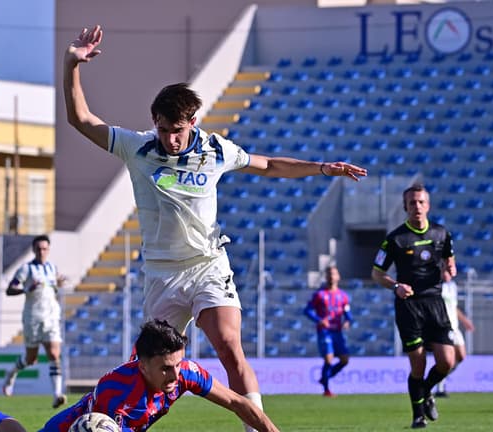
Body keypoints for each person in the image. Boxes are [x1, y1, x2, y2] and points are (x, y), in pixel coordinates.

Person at [63, 25, 367, 432]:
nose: (172, 138)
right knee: (150, 367)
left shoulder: (216, 150)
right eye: (165, 129)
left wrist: (322, 167)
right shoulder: (136, 147)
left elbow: (269, 164)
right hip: (162, 273)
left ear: (192, 122)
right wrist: (72, 65)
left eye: (179, 130)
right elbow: (80, 119)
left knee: (228, 345)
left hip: (208, 264)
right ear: (155, 121)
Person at [0, 320, 281, 432]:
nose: (174, 375)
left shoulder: (185, 374)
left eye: (177, 365)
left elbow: (238, 402)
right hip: (76, 426)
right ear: (142, 365)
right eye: (166, 368)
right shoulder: (117, 393)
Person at [371, 183, 456, 429]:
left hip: (435, 303)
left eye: (420, 202)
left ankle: (426, 392)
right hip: (409, 306)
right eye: (412, 203)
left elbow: (449, 258)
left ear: (427, 205)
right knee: (418, 364)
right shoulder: (396, 239)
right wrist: (395, 285)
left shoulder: (442, 234)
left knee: (446, 361)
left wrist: (451, 268)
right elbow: (377, 274)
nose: (416, 206)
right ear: (405, 207)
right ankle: (418, 415)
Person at [2, 234, 68, 409]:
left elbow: (53, 288)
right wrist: (26, 288)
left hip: (51, 317)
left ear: (49, 250)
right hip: (32, 318)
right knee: (31, 359)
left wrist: (60, 283)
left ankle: (56, 394)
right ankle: (11, 373)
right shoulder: (26, 269)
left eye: (45, 248)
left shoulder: (52, 269)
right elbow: (10, 289)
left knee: (54, 354)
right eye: (38, 249)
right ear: (33, 250)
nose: (41, 252)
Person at [303, 265, 353, 397]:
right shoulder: (319, 295)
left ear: (338, 276)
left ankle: (324, 378)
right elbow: (307, 311)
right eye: (329, 274)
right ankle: (326, 390)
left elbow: (348, 313)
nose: (332, 276)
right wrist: (319, 320)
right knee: (329, 358)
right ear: (326, 277)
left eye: (334, 274)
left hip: (338, 332)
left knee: (345, 360)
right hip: (325, 331)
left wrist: (347, 321)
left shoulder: (343, 296)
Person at [433, 266, 475, 398]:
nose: (446, 275)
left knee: (461, 357)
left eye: (448, 273)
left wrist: (465, 320)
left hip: (455, 327)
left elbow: (454, 307)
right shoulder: (436, 287)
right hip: (443, 327)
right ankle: (439, 387)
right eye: (444, 272)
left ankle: (436, 379)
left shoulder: (453, 286)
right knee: (447, 359)